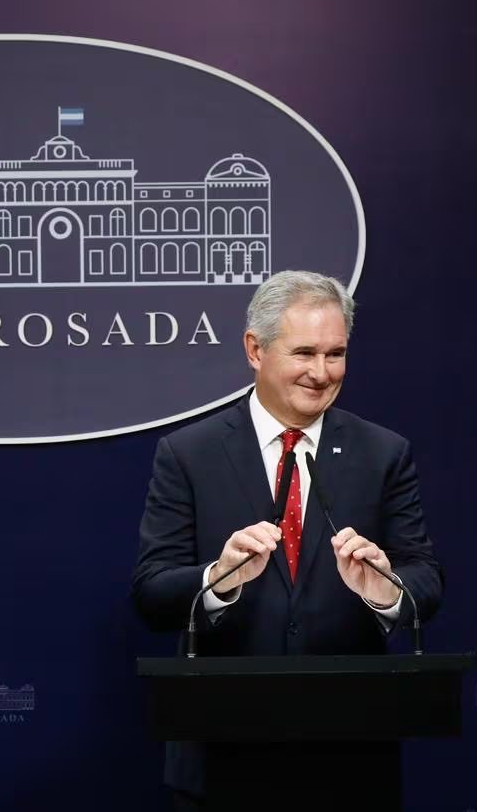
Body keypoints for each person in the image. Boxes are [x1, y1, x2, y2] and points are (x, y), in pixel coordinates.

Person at [132, 270, 443, 811]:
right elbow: (152, 593)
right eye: (304, 353)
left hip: (352, 757)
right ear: (255, 349)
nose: (321, 374)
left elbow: (425, 580)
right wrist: (217, 580)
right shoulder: (188, 454)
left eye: (335, 354)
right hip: (223, 753)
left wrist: (385, 589)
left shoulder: (384, 453)